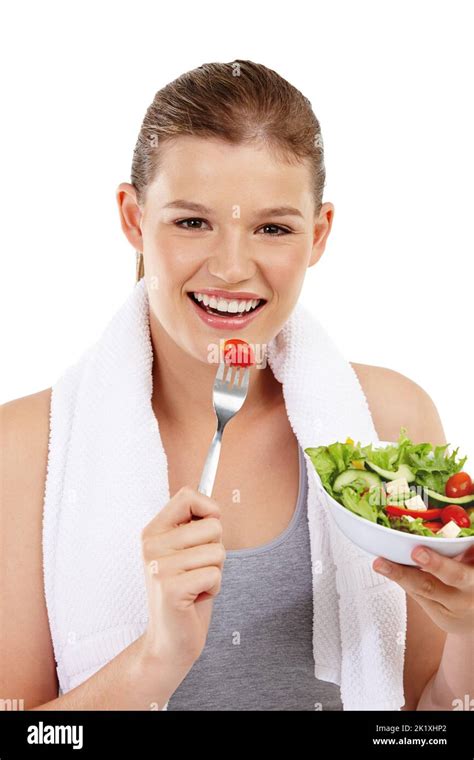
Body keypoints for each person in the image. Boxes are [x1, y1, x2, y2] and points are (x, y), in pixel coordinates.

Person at [1, 60, 472, 712]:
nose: (230, 268)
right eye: (192, 222)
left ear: (320, 234)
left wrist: (469, 629)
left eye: (273, 227)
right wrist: (154, 660)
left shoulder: (389, 422)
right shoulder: (24, 451)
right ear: (134, 219)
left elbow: (426, 720)